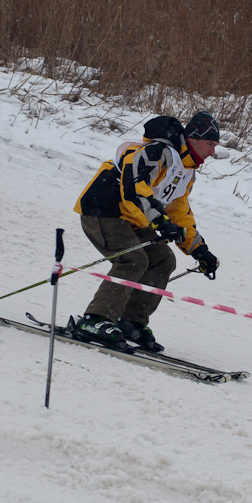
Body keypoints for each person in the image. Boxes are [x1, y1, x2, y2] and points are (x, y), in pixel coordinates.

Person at [73, 111, 221, 352]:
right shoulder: (158, 153)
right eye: (210, 144)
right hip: (103, 209)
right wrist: (161, 223)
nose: (213, 152)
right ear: (193, 138)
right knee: (133, 259)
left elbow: (179, 212)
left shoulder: (187, 170)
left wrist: (199, 250)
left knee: (163, 259)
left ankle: (131, 321)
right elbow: (134, 190)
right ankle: (95, 319)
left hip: (133, 217)